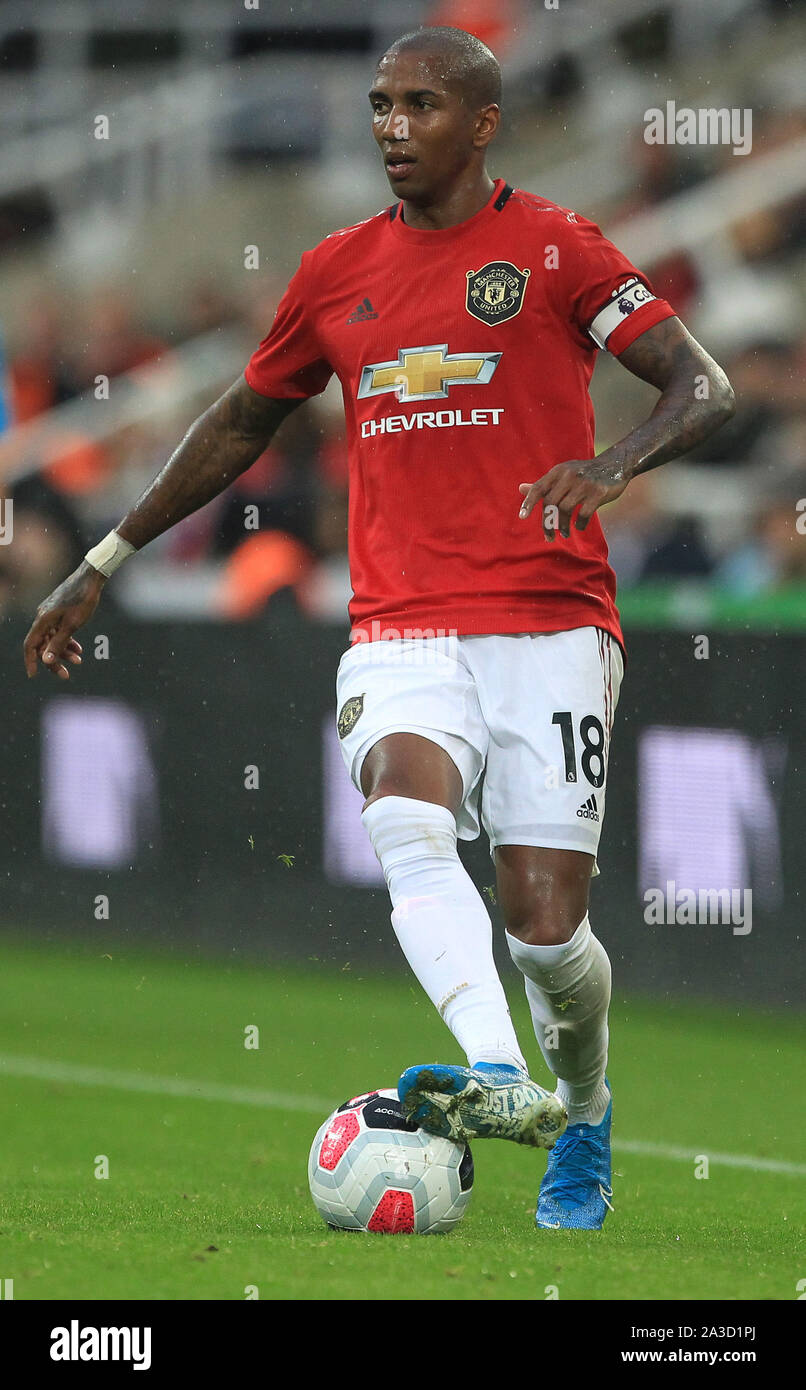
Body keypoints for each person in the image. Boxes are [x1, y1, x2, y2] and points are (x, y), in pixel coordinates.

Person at [23, 26, 735, 1230]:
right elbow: (242, 420)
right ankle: (499, 1074)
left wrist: (607, 465)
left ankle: (583, 1096)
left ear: (482, 122)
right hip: (400, 618)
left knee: (545, 932)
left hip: (548, 616)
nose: (391, 127)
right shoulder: (334, 270)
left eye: (418, 105)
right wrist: (106, 554)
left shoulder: (556, 246)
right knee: (402, 813)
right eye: (378, 105)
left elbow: (699, 384)